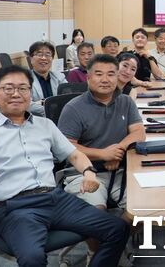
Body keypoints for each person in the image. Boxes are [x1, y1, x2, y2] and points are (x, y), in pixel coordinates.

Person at [0, 65, 129, 267]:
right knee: (32, 257)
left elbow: (75, 154)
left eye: (23, 88)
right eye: (8, 88)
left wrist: (88, 172)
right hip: (15, 208)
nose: (16, 94)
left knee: (118, 228)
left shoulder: (45, 125)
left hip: (55, 199)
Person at [58, 54, 145, 226]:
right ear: (88, 78)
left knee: (146, 209)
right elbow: (66, 147)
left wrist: (116, 152)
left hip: (121, 172)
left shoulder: (125, 101)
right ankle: (96, 250)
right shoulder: (74, 108)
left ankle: (114, 240)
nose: (105, 79)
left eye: (111, 74)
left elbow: (138, 133)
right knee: (95, 215)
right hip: (83, 173)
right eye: (99, 74)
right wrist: (103, 154)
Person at [28, 41, 67, 116]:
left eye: (48, 54)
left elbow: (68, 98)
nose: (43, 58)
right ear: (31, 58)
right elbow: (26, 105)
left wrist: (43, 103)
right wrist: (52, 109)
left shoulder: (60, 77)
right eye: (39, 54)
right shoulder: (25, 80)